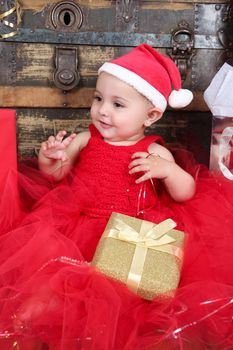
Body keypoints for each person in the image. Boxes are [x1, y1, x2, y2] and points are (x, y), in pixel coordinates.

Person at [0, 44, 233, 350]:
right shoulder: (86, 139)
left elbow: (186, 192)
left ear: (149, 115)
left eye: (117, 104)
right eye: (98, 99)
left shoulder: (154, 150)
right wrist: (51, 157)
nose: (103, 110)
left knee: (128, 295)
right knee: (61, 280)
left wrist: (168, 171)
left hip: (132, 232)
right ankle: (39, 318)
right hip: (80, 226)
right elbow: (55, 175)